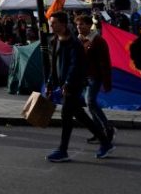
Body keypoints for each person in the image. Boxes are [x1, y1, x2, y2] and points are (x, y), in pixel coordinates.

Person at [46, 11, 113, 162]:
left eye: (54, 22)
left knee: (66, 117)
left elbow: (74, 65)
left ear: (63, 24)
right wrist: (51, 81)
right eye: (51, 22)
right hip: (65, 84)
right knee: (79, 115)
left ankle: (63, 150)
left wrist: (68, 83)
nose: (51, 25)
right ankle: (105, 141)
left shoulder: (73, 43)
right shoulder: (56, 40)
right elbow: (55, 65)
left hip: (73, 85)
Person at [75, 14, 114, 144]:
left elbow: (105, 62)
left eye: (82, 24)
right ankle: (98, 132)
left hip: (95, 76)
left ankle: (107, 127)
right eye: (77, 25)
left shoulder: (97, 40)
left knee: (90, 101)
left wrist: (106, 81)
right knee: (89, 104)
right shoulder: (79, 40)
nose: (79, 27)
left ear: (88, 25)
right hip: (84, 77)